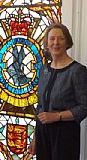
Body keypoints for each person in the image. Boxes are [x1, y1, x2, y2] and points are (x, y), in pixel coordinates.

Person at [28, 23, 87, 160]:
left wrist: (57, 116)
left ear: (67, 42)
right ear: (47, 44)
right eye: (52, 39)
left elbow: (84, 107)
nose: (56, 43)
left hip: (65, 135)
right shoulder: (44, 70)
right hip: (43, 134)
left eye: (60, 38)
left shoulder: (78, 71)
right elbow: (40, 107)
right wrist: (35, 139)